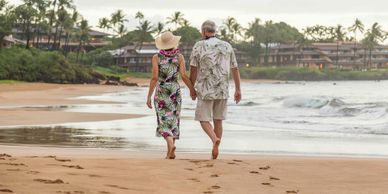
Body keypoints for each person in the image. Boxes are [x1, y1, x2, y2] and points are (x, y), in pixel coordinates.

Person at [189, 20, 242, 160]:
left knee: (203, 119)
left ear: (204, 31)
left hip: (205, 89)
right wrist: (238, 89)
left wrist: (191, 88)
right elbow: (235, 68)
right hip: (223, 89)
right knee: (218, 120)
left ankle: (214, 139)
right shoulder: (227, 46)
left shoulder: (199, 46)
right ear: (214, 31)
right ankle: (216, 146)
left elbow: (193, 69)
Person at [147, 31, 196, 159]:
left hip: (162, 90)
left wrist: (149, 96)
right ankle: (170, 151)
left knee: (164, 121)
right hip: (175, 91)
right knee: (173, 120)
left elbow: (154, 78)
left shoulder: (156, 57)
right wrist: (192, 90)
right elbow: (184, 76)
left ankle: (170, 146)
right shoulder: (179, 57)